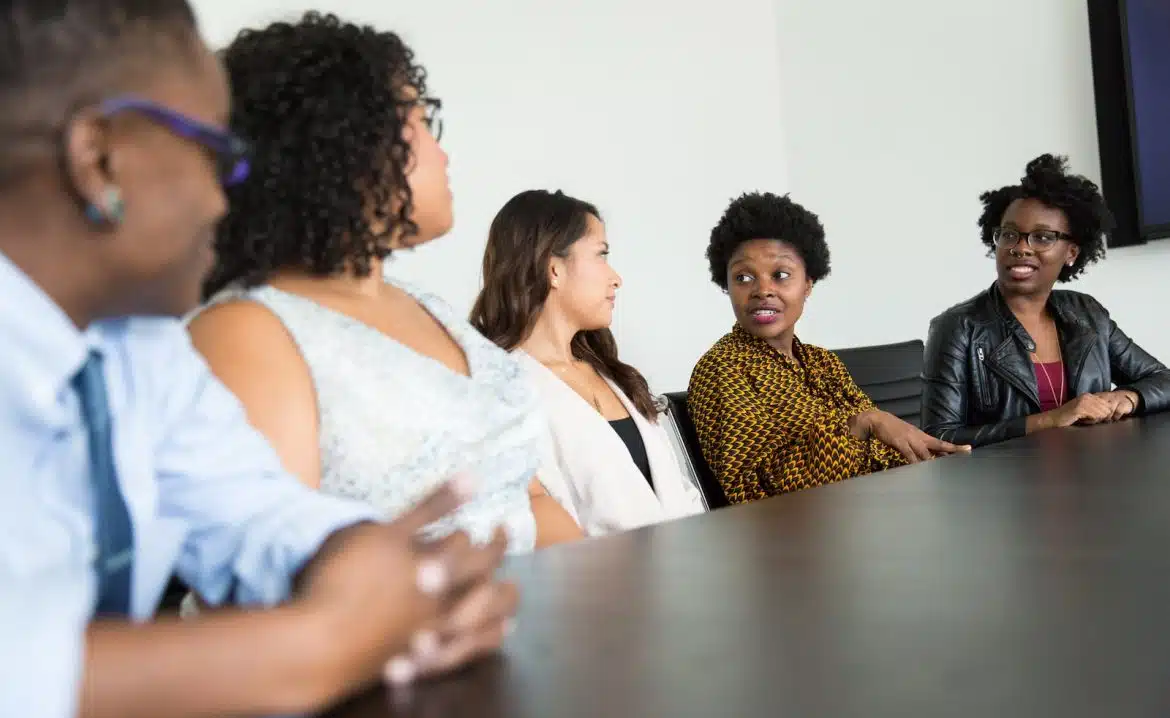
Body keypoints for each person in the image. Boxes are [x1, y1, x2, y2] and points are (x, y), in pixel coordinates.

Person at [0, 3, 514, 718]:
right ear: (97, 160)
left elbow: (262, 516)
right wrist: (327, 642)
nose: (227, 196)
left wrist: (391, 577)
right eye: (217, 150)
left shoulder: (139, 351)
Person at [187, 14, 581, 553]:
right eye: (421, 119)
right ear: (343, 140)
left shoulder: (431, 309)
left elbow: (527, 497)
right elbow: (273, 587)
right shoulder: (246, 332)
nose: (442, 152)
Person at [688, 192, 967, 505]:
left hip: (868, 512)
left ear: (808, 283)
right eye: (743, 277)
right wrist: (861, 425)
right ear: (726, 286)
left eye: (781, 275)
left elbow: (881, 448)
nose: (762, 290)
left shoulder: (822, 362)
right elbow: (754, 491)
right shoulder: (722, 369)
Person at [470, 190, 705, 534]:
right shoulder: (502, 392)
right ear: (553, 269)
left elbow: (683, 495)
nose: (616, 278)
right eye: (601, 254)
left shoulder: (616, 376)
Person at [921, 154, 1170, 447]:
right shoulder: (958, 327)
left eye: (1042, 237)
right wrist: (1049, 420)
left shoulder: (1087, 315)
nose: (1021, 248)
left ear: (1071, 253)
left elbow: (1162, 379)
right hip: (1005, 486)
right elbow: (937, 438)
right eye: (1010, 235)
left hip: (1094, 474)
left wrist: (1128, 397)